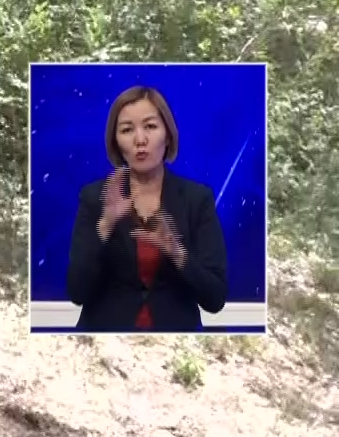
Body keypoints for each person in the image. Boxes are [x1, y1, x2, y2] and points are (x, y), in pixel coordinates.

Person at [67, 85, 229, 332]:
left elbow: (215, 299)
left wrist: (177, 253)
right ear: (116, 141)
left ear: (167, 135)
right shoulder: (94, 198)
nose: (140, 140)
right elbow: (77, 292)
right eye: (127, 130)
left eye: (150, 127)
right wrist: (105, 226)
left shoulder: (197, 199)